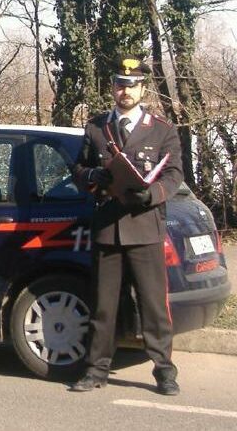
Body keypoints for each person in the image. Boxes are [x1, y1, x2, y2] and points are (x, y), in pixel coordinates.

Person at [70, 57, 184, 395]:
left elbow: (175, 174)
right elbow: (78, 170)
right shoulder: (96, 128)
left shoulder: (162, 129)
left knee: (153, 305)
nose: (125, 91)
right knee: (104, 306)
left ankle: (164, 371)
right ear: (113, 88)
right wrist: (93, 176)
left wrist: (152, 194)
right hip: (107, 227)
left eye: (132, 85)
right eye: (120, 84)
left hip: (145, 226)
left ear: (142, 89)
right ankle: (96, 370)